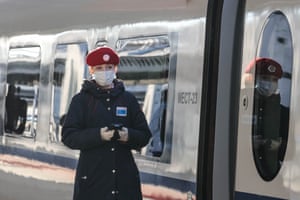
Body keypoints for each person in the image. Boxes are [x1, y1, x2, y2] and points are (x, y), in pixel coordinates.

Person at [62, 46, 152, 200]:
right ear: (91, 70)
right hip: (92, 183)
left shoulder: (128, 99)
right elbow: (69, 136)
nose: (105, 71)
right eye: (100, 68)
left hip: (125, 185)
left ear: (115, 69)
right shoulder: (81, 100)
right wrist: (100, 135)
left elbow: (145, 135)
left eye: (109, 67)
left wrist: (127, 136)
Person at [244, 57, 289, 181]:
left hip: (271, 177)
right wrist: (249, 142)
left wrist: (279, 146)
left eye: (274, 80)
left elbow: (291, 152)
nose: (269, 83)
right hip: (242, 176)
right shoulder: (241, 106)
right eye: (264, 78)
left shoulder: (284, 113)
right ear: (253, 79)